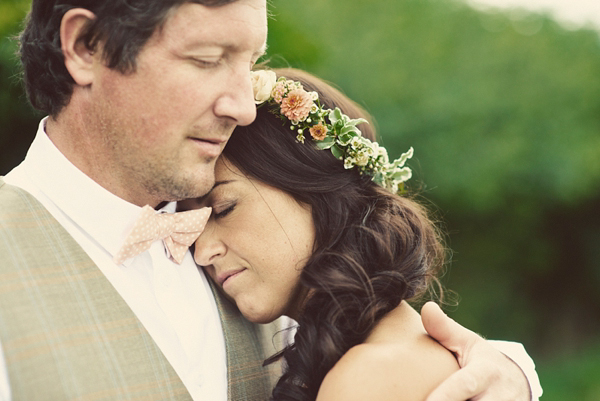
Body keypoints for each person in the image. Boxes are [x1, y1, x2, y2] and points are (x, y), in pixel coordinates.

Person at [0, 0, 540, 400]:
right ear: (86, 47)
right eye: (209, 58)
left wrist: (510, 375)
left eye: (250, 62)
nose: (243, 106)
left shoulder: (279, 272)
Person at [187, 68, 543, 401]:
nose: (201, 251)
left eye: (223, 208)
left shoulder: (369, 378)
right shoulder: (388, 355)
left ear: (312, 186)